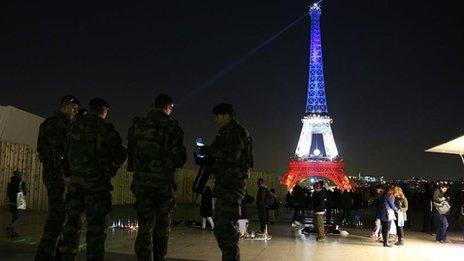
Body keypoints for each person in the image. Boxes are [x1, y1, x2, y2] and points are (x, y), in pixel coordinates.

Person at [61, 98, 127, 260]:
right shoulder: (106, 129)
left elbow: (64, 154)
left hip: (76, 186)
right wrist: (110, 171)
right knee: (96, 231)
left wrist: (70, 173)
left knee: (72, 225)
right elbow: (119, 155)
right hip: (97, 187)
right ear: (104, 110)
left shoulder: (73, 127)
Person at [127, 94, 187, 260]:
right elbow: (180, 158)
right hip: (162, 185)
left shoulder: (137, 125)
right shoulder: (171, 126)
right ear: (168, 107)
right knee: (162, 226)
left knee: (144, 226)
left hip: (142, 183)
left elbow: (130, 153)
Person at [35, 95, 79, 261]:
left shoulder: (65, 125)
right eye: (73, 107)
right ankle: (45, 255)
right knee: (58, 216)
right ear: (64, 106)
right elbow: (56, 150)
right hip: (56, 174)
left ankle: (57, 253)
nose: (75, 111)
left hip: (63, 175)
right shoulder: (54, 124)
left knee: (64, 216)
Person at [208, 103, 253, 261]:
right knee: (222, 228)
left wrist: (211, 152)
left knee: (226, 229)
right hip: (225, 185)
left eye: (218, 116)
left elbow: (232, 156)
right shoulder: (226, 132)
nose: (215, 119)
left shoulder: (236, 132)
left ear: (227, 116)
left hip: (232, 185)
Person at [5, 170, 27, 237]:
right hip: (19, 201)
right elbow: (25, 193)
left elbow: (8, 194)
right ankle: (10, 228)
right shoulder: (21, 183)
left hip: (11, 201)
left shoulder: (10, 183)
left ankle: (13, 232)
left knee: (14, 217)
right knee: (18, 218)